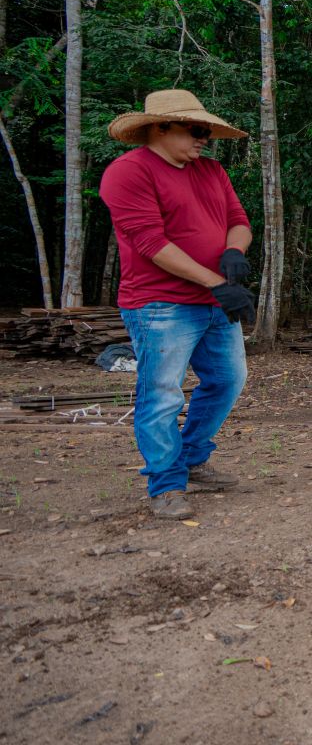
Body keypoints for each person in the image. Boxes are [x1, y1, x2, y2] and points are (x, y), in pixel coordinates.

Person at [99, 90, 256, 520]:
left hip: (213, 300)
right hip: (159, 305)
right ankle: (166, 484)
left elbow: (239, 221)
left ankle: (192, 457)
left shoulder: (211, 170)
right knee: (163, 394)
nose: (205, 138)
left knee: (227, 380)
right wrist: (217, 283)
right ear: (161, 127)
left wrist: (234, 254)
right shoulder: (127, 173)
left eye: (207, 131)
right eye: (196, 130)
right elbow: (151, 243)